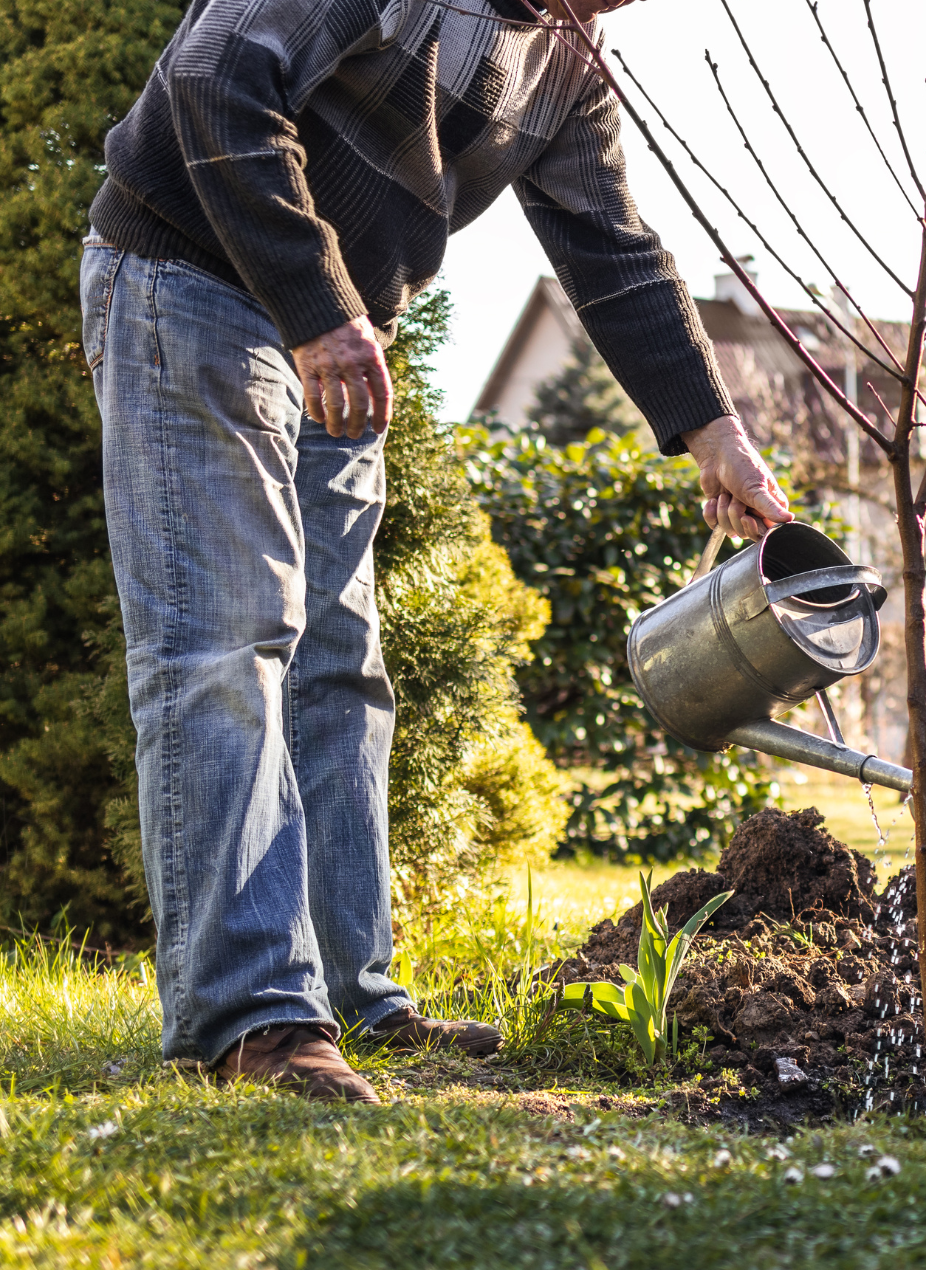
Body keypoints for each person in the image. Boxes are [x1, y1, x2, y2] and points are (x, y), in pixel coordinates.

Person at [80, 0, 791, 1104]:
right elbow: (215, 75)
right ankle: (252, 1015)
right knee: (228, 642)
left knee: (338, 665)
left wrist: (720, 436)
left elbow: (615, 249)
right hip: (193, 278)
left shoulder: (564, 60)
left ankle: (356, 998)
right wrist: (318, 310)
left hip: (336, 329)